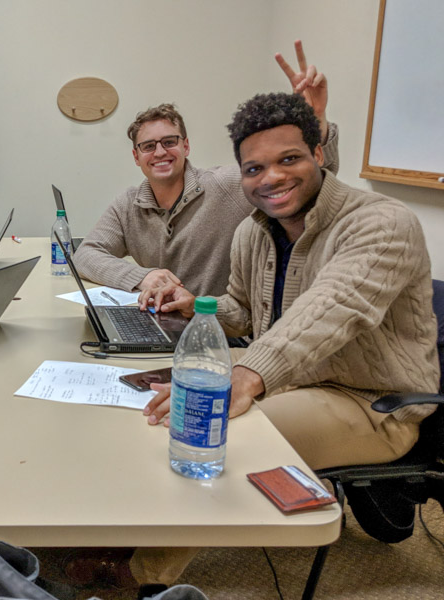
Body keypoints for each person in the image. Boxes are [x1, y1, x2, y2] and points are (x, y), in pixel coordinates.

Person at [131, 91, 440, 586]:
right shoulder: (254, 233)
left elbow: (330, 309)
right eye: (254, 169)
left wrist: (247, 375)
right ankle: (121, 532)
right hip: (291, 380)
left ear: (319, 154)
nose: (271, 177)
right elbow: (243, 312)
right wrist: (197, 305)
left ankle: (147, 579)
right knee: (144, 398)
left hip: (369, 402)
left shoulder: (382, 222)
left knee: (214, 429)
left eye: (289, 159)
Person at [73, 41, 338, 296]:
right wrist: (142, 277)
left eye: (169, 142)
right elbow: (86, 255)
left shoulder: (227, 185)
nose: (161, 152)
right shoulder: (128, 205)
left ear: (186, 146)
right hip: (157, 326)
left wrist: (316, 122)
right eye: (149, 146)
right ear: (136, 156)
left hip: (222, 328)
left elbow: (311, 181)